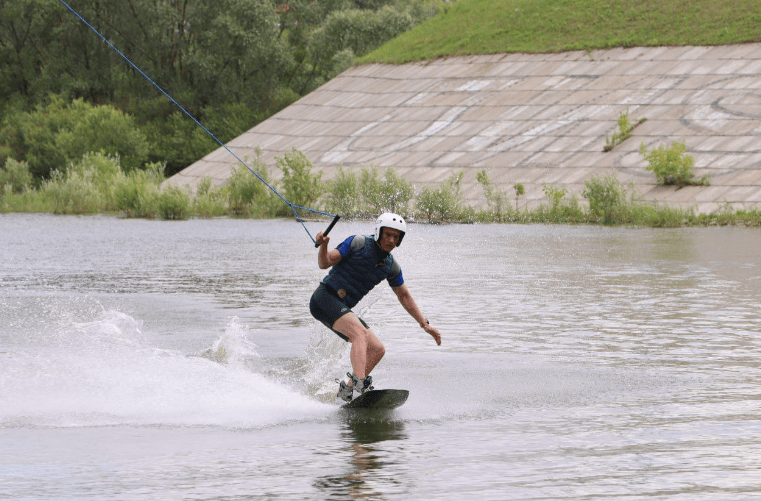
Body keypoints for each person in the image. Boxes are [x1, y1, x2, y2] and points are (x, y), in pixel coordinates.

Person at [309, 212, 442, 402]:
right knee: (359, 334)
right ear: (379, 232)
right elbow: (325, 262)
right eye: (388, 234)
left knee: (377, 349)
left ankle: (347, 392)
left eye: (396, 237)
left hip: (340, 307)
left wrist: (424, 323)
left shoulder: (390, 266)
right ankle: (360, 383)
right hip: (324, 298)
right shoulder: (358, 243)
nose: (391, 240)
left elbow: (403, 294)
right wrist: (324, 244)